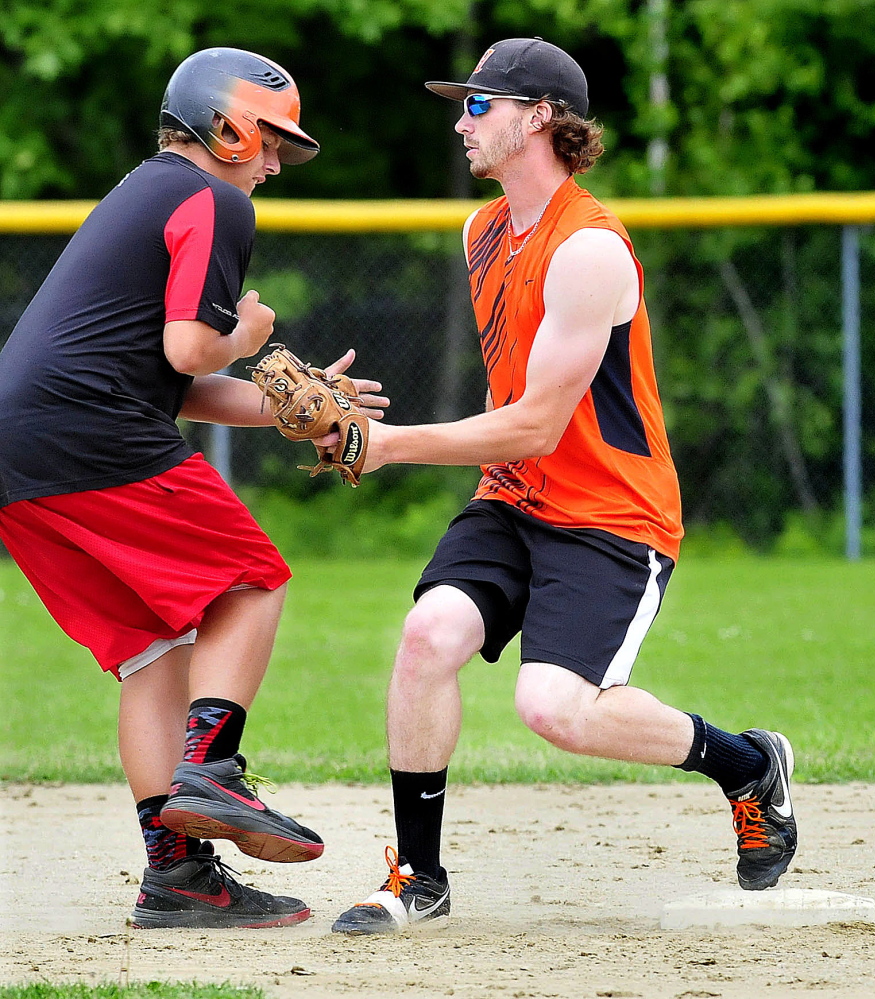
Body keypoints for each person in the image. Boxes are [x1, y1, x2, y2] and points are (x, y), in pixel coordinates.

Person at [330, 37, 797, 935]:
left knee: (555, 709)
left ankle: (746, 764)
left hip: (612, 514)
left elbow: (540, 420)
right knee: (428, 636)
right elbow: (515, 405)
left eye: (479, 104)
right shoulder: (483, 232)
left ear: (538, 116)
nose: (461, 119)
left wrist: (388, 445)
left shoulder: (589, 251)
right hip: (514, 495)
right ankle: (417, 874)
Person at [0, 47, 386, 929]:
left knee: (153, 652)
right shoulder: (213, 196)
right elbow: (189, 349)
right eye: (273, 140)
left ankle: (177, 876)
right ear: (227, 124)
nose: (277, 161)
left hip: (22, 451)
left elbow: (172, 385)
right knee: (253, 580)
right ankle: (211, 769)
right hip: (88, 430)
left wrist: (293, 408)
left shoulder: (150, 190)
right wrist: (247, 329)